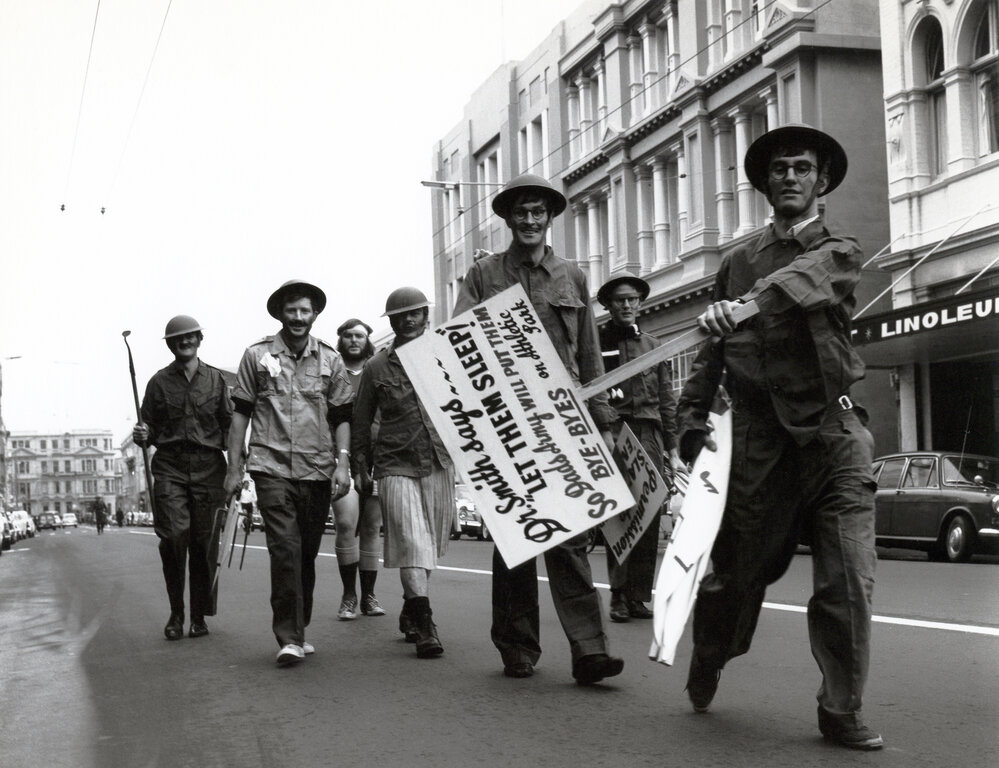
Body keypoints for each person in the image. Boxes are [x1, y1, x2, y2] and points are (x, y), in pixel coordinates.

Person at [676, 124, 882, 750]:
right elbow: (709, 356)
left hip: (834, 432)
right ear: (765, 184)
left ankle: (840, 708)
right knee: (736, 574)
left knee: (847, 576)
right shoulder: (737, 261)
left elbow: (814, 278)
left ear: (821, 181)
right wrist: (691, 419)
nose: (789, 176)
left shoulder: (838, 246)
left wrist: (745, 305)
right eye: (778, 169)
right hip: (763, 439)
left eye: (801, 168)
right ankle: (710, 653)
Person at [453, 173, 624, 685]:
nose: (529, 220)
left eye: (538, 212)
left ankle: (590, 650)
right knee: (517, 539)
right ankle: (517, 646)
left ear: (549, 218)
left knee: (570, 537)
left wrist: (605, 422)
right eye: (521, 212)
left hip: (563, 420)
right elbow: (458, 341)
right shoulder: (484, 275)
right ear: (508, 219)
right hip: (505, 420)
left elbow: (589, 353)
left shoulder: (572, 275)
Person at [224, 279, 354, 666]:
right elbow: (241, 414)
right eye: (292, 310)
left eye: (305, 311)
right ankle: (290, 636)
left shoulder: (331, 360)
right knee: (285, 549)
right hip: (271, 466)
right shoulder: (256, 355)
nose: (298, 317)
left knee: (307, 553)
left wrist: (343, 463)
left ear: (315, 315)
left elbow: (343, 416)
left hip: (317, 469)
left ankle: (300, 625)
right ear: (280, 313)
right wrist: (234, 468)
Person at [350, 288, 455, 659]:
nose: (409, 320)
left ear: (426, 315)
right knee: (412, 541)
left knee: (429, 546)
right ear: (390, 321)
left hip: (440, 461)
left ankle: (411, 608)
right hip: (395, 463)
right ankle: (426, 625)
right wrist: (359, 467)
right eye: (401, 315)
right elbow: (361, 421)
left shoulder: (447, 352)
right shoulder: (377, 367)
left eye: (415, 313)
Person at [133, 314, 232, 641]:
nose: (185, 341)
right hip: (171, 467)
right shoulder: (158, 382)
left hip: (209, 468)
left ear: (199, 338)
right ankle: (177, 611)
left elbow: (230, 427)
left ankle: (199, 615)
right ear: (171, 345)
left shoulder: (216, 380)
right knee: (174, 538)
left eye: (190, 336)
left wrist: (239, 469)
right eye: (178, 338)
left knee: (204, 545)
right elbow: (147, 428)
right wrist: (141, 433)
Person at [595, 273, 679, 623]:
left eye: (632, 300)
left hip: (650, 434)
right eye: (620, 300)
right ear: (610, 306)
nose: (627, 305)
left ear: (640, 303)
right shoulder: (598, 345)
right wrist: (604, 431)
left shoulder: (654, 345)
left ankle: (639, 596)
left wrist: (673, 450)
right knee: (622, 514)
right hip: (616, 431)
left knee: (650, 512)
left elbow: (666, 400)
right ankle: (617, 594)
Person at [331, 318, 385, 620]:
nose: (354, 340)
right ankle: (349, 596)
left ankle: (369, 597)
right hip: (341, 459)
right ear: (341, 339)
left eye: (360, 336)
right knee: (345, 524)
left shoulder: (377, 368)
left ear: (368, 339)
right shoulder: (333, 369)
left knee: (371, 528)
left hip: (377, 457)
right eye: (348, 335)